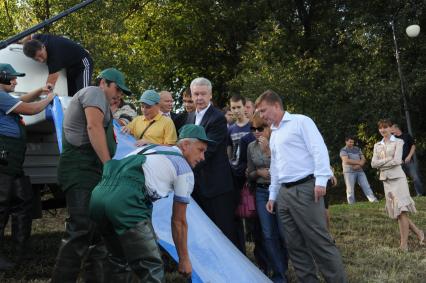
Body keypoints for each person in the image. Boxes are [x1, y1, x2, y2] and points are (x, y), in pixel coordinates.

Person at [89, 124, 211, 282]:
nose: (203, 157)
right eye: (200, 150)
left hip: (98, 196)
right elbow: (179, 221)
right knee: (151, 265)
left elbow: (141, 197)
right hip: (125, 201)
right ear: (185, 145)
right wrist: (184, 259)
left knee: (118, 260)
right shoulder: (184, 169)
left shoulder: (150, 149)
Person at [256, 90, 347, 282]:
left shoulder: (301, 121)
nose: (261, 116)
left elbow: (318, 149)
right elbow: (276, 166)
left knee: (318, 241)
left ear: (276, 106)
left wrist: (321, 180)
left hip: (306, 188)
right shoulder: (275, 132)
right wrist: (273, 195)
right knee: (294, 244)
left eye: (263, 111)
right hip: (284, 194)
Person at [51, 68, 130, 282]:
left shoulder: (102, 103)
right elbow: (93, 127)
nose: (119, 95)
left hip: (91, 172)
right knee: (81, 229)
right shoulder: (94, 92)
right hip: (80, 170)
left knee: (98, 231)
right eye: (117, 89)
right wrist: (109, 166)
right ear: (104, 82)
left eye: (122, 93)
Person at [0, 63, 56, 270]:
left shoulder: (5, 97)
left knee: (23, 202)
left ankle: (21, 251)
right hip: (3, 161)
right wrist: (50, 98)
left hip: (12, 161)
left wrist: (40, 91)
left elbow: (21, 100)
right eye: (12, 78)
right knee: (1, 207)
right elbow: (30, 109)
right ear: (2, 78)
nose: (16, 81)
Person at [186, 77, 239, 248]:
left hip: (217, 186)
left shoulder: (217, 118)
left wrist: (184, 168)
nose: (199, 98)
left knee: (224, 232)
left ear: (210, 95)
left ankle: (235, 271)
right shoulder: (189, 117)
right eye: (196, 94)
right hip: (196, 186)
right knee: (203, 233)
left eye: (203, 94)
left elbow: (208, 150)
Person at [247, 112, 288, 283]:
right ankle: (279, 274)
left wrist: (268, 151)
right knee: (268, 234)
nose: (256, 132)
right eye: (253, 128)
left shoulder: (279, 141)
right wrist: (258, 172)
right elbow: (249, 173)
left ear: (268, 128)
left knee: (283, 234)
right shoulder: (250, 147)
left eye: (260, 128)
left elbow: (286, 167)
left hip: (280, 191)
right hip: (262, 191)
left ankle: (283, 268)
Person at [371, 119, 424, 251]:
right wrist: (389, 159)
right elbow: (373, 163)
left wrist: (382, 162)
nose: (382, 130)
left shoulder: (399, 142)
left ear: (391, 128)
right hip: (386, 181)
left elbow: (397, 161)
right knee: (396, 214)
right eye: (380, 128)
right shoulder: (377, 145)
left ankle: (404, 245)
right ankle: (419, 233)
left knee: (401, 212)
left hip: (398, 179)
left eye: (385, 127)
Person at [23, 34, 93, 97]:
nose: (41, 60)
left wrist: (44, 98)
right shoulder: (38, 39)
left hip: (82, 64)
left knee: (83, 94)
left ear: (43, 46)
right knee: (72, 96)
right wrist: (20, 42)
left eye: (40, 55)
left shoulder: (54, 56)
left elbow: (50, 84)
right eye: (36, 59)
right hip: (70, 68)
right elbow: (31, 36)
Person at [340, 136, 378, 204]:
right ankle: (351, 204)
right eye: (350, 142)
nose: (352, 143)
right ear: (346, 142)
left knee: (366, 186)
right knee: (350, 189)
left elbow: (363, 159)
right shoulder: (343, 150)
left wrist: (359, 165)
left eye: (353, 142)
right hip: (349, 172)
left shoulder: (357, 149)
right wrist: (359, 162)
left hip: (360, 171)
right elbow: (346, 160)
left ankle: (373, 200)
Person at [391, 124, 424, 196]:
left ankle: (420, 194)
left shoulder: (406, 136)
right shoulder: (392, 139)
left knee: (415, 177)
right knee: (399, 180)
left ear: (397, 128)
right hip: (398, 163)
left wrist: (409, 156)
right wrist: (398, 159)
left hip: (409, 161)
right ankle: (403, 195)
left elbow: (413, 146)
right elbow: (391, 151)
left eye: (392, 129)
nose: (391, 131)